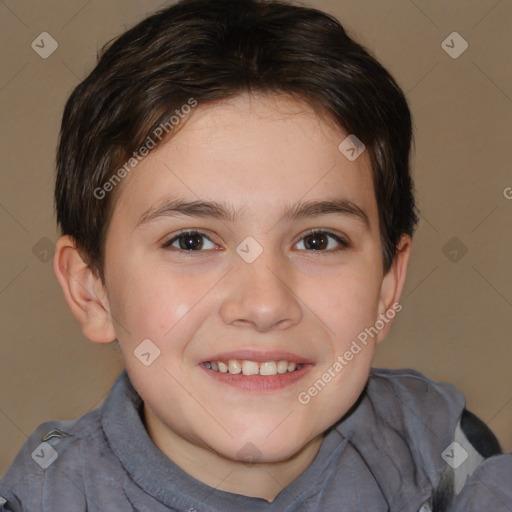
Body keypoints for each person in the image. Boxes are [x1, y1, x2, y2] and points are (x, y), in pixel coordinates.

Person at [0, 0, 509, 510]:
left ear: (386, 286)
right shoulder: (45, 496)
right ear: (92, 290)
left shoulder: (451, 459)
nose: (265, 305)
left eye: (318, 240)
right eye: (191, 241)